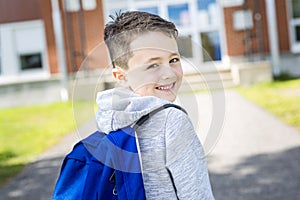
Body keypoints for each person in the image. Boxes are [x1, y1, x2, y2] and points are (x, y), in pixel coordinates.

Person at [95, 11, 215, 199]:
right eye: (153, 65)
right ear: (121, 76)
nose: (169, 74)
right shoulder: (172, 121)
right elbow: (196, 195)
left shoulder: (108, 118)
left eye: (173, 60)